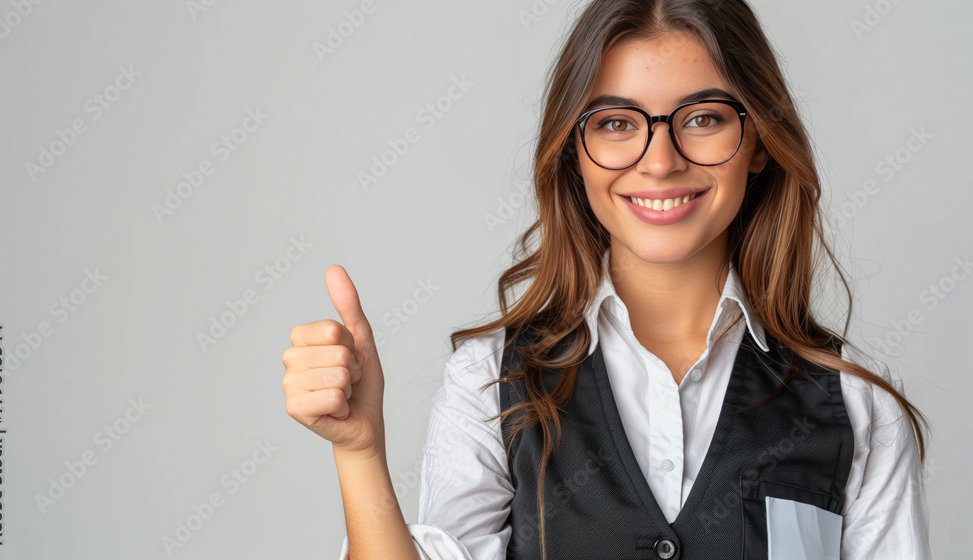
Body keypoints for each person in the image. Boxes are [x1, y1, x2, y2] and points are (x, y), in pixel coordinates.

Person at [281, 0, 932, 558]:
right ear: (573, 150)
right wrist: (360, 452)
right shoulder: (490, 385)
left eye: (703, 117)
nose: (660, 160)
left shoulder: (857, 408)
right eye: (617, 124)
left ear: (757, 138)